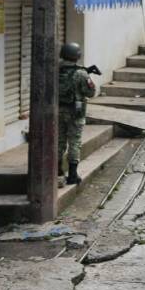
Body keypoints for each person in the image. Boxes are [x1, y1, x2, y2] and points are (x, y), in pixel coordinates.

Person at [58, 42, 97, 186]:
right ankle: (73, 175)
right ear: (77, 56)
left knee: (59, 141)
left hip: (57, 111)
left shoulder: (54, 69)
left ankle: (57, 172)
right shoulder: (81, 73)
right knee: (74, 142)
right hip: (75, 112)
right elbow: (91, 92)